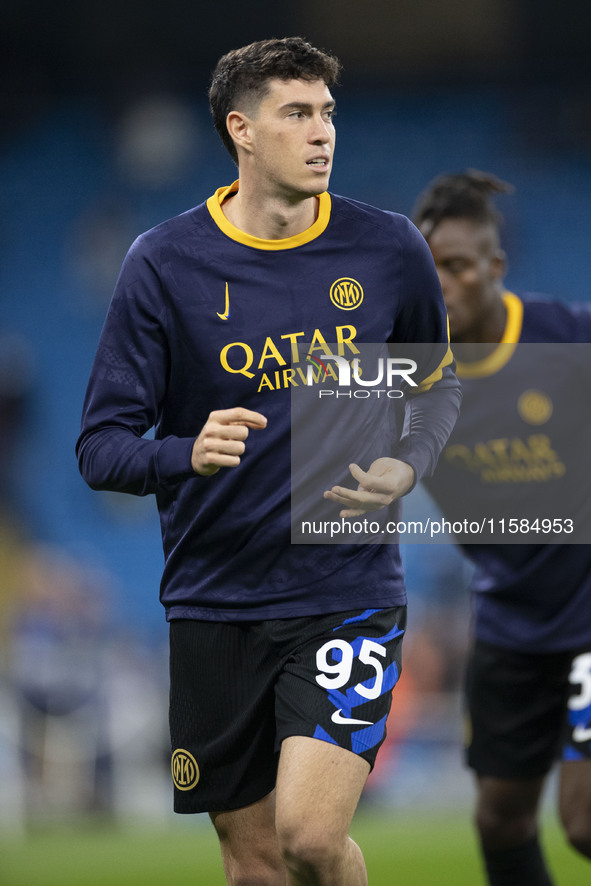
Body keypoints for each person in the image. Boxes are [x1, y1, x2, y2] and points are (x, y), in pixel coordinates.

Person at [76, 37, 460, 885]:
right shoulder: (164, 263)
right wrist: (185, 453)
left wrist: (409, 459)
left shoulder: (387, 248)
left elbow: (436, 385)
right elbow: (100, 448)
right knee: (252, 860)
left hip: (344, 591)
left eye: (327, 113)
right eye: (297, 113)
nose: (322, 131)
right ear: (240, 129)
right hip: (214, 601)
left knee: (310, 837)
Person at [413, 170, 591, 886]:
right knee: (500, 819)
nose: (441, 285)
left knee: (582, 823)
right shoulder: (405, 379)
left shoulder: (566, 340)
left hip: (588, 617)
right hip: (510, 623)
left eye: (455, 267)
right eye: (425, 272)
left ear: (493, 268)